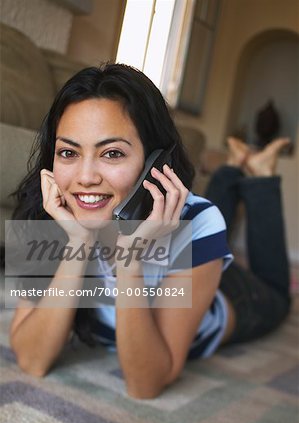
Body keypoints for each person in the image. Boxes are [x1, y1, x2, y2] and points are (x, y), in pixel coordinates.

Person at [9, 63, 291, 400]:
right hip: (182, 270)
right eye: (68, 152)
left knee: (277, 291)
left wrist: (129, 261)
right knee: (201, 227)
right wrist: (78, 242)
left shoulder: (199, 222)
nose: (84, 177)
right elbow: (32, 360)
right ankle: (231, 170)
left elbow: (145, 383)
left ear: (154, 162)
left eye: (111, 153)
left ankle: (259, 177)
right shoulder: (48, 212)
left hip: (235, 301)